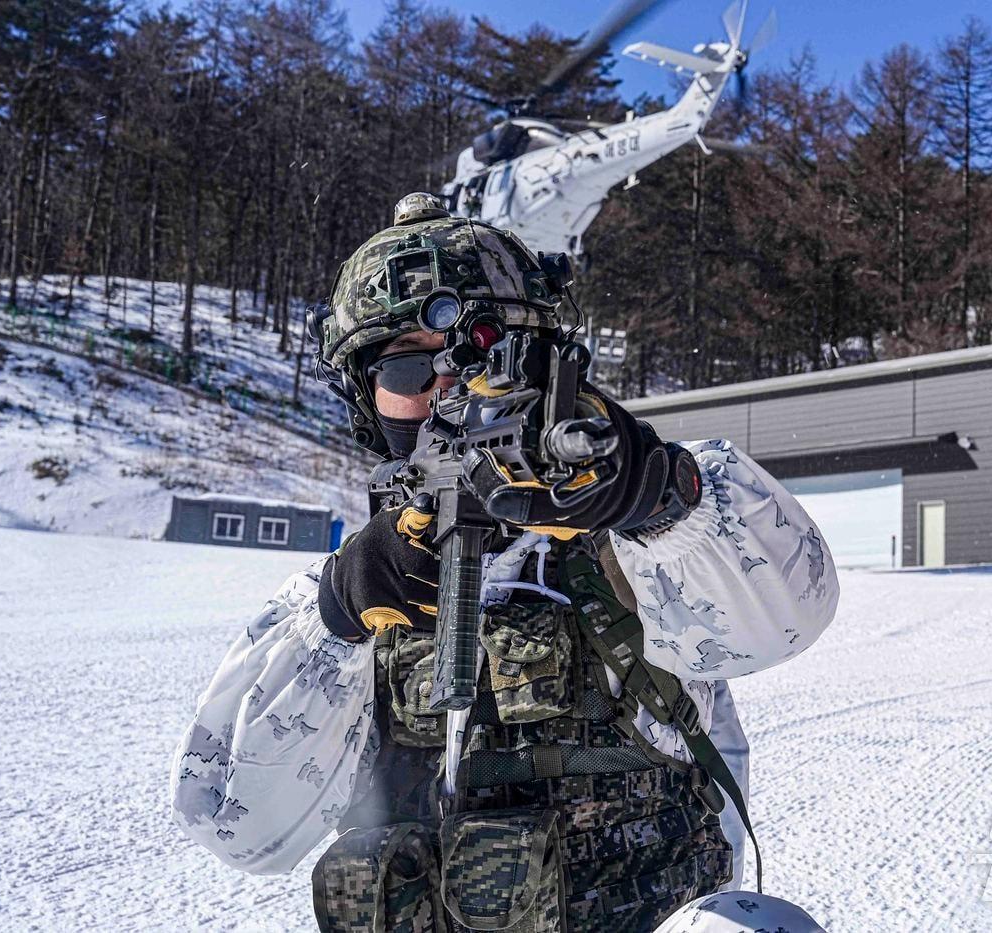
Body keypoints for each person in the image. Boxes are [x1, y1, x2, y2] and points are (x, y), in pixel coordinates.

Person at [169, 194, 839, 933]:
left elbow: (789, 615)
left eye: (481, 353)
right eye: (406, 369)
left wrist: (649, 490)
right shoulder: (347, 599)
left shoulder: (644, 547)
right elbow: (237, 827)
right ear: (367, 399)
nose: (447, 388)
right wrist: (341, 608)